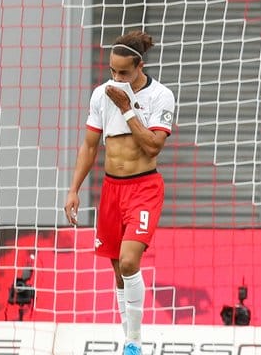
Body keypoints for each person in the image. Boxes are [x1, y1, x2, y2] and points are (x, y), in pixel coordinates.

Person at [64, 30, 175, 355]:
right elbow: (89, 145)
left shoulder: (160, 96)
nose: (116, 78)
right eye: (112, 71)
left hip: (144, 188)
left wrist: (127, 108)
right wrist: (73, 189)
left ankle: (135, 340)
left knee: (129, 262)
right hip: (111, 190)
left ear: (139, 65)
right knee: (117, 270)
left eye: (123, 72)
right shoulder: (102, 94)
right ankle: (128, 341)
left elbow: (153, 146)